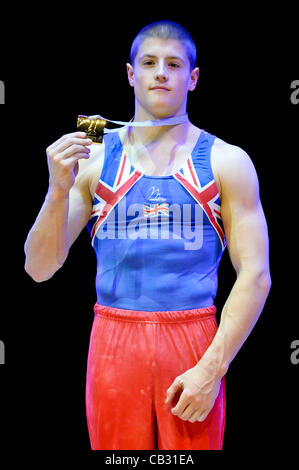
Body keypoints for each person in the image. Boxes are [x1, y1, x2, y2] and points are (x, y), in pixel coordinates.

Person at [24, 21, 271, 450]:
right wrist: (57, 189)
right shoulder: (94, 157)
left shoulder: (228, 162)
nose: (161, 73)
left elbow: (256, 275)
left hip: (193, 339)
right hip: (113, 342)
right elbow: (39, 268)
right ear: (129, 73)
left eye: (174, 64)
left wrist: (211, 369)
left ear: (192, 78)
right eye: (149, 63)